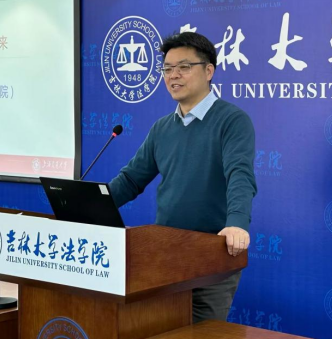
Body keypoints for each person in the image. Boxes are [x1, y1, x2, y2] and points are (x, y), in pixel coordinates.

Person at [109, 31, 257, 323]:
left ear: (208, 71)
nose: (173, 75)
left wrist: (237, 223)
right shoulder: (162, 128)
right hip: (163, 255)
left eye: (184, 67)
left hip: (210, 255)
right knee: (155, 335)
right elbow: (130, 181)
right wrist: (89, 207)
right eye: (167, 69)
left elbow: (239, 174)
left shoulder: (232, 120)